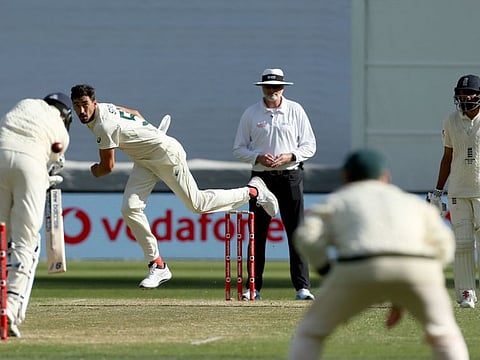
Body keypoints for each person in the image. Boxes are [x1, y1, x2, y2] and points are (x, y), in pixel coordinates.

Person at [70, 84, 279, 289]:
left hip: (167, 156)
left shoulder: (103, 125)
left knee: (198, 204)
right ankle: (158, 265)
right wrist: (149, 133)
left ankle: (254, 191)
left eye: (85, 104)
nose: (81, 110)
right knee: (130, 208)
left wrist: (94, 170)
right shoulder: (107, 107)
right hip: (145, 160)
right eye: (76, 105)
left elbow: (107, 167)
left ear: (94, 102)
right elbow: (134, 112)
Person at [289, 148, 469, 360]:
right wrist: (421, 278)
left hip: (359, 267)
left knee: (310, 333)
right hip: (419, 268)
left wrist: (325, 269)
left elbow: (306, 236)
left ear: (346, 177)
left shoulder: (338, 200)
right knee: (445, 335)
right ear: (385, 177)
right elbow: (445, 243)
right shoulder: (410, 202)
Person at [232, 68, 316, 300]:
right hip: (261, 180)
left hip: (290, 176)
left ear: (283, 88)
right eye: (269, 87)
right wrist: (258, 157)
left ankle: (302, 288)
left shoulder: (295, 110)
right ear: (262, 87)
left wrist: (291, 156)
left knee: (297, 233)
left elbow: (309, 145)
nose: (273, 91)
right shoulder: (251, 113)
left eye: (277, 87)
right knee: (256, 234)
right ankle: (253, 288)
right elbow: (238, 148)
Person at [0, 93, 72, 337]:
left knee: (1, 235)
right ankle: (9, 310)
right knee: (26, 240)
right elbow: (52, 162)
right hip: (30, 165)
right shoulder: (61, 131)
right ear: (65, 115)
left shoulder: (25, 103)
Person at [430, 74, 480, 309]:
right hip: (459, 191)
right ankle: (466, 293)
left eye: (468, 94)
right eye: (460, 94)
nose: (464, 98)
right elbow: (447, 157)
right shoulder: (450, 120)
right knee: (462, 243)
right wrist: (438, 191)